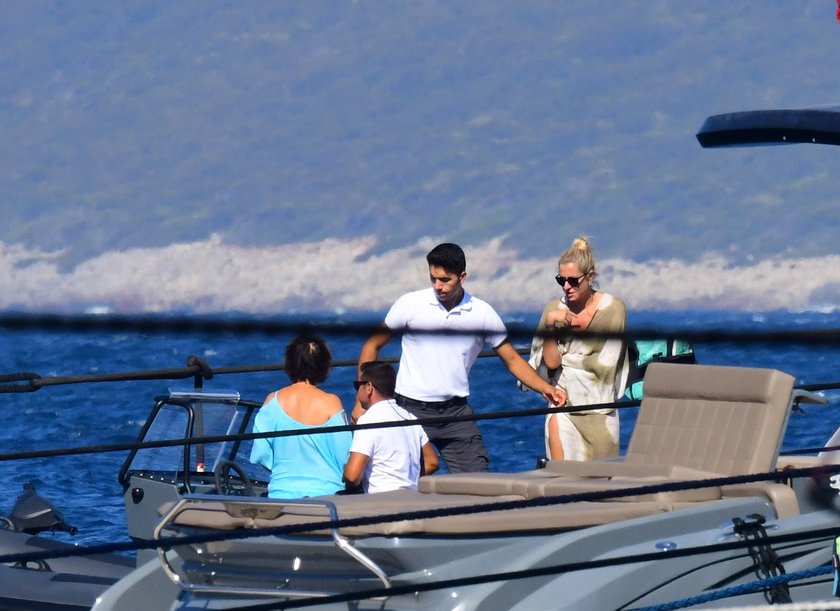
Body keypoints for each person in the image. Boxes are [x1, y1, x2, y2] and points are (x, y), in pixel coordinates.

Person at [358, 242, 564, 473]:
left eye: (445, 280)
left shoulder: (482, 313)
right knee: (402, 477)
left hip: (456, 414)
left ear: (462, 277)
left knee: (478, 482)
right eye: (433, 279)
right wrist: (362, 401)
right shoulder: (410, 304)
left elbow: (512, 360)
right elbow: (372, 345)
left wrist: (545, 388)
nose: (438, 286)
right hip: (409, 410)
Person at [526, 236, 629, 461]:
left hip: (600, 408)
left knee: (602, 477)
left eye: (573, 281)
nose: (566, 287)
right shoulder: (553, 309)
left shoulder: (613, 309)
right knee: (561, 475)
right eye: (561, 280)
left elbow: (606, 365)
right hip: (562, 404)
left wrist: (569, 359)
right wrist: (550, 325)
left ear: (590, 277)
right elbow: (551, 363)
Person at [250, 335, 352, 498]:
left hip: (281, 494)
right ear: (324, 366)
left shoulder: (271, 401)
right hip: (326, 496)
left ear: (289, 364)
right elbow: (345, 457)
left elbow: (261, 453)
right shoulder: (331, 403)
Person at [343, 361, 440, 493]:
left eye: (357, 385)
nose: (357, 390)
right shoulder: (410, 417)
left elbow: (352, 476)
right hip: (412, 498)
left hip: (381, 500)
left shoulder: (368, 420)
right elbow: (432, 462)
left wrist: (345, 472)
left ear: (369, 387)